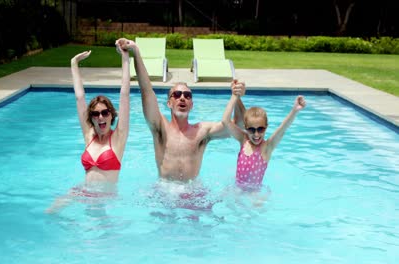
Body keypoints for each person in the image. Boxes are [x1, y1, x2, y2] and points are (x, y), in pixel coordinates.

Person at [116, 38, 245, 182]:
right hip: (166, 191)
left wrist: (237, 97)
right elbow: (146, 91)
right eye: (177, 95)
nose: (182, 98)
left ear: (192, 104)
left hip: (192, 193)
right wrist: (136, 51)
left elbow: (239, 125)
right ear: (169, 103)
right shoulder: (160, 127)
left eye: (187, 95)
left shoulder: (203, 131)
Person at [46, 43, 131, 213]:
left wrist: (125, 57)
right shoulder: (89, 135)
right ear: (91, 118)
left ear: (111, 115)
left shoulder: (118, 138)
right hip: (83, 192)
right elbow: (79, 97)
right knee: (51, 212)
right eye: (96, 114)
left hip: (105, 199)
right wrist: (74, 64)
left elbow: (124, 93)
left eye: (105, 113)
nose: (101, 117)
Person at [222, 84, 306, 190]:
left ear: (266, 128)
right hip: (237, 188)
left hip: (254, 195)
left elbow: (283, 128)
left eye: (260, 129)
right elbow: (225, 121)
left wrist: (294, 110)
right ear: (246, 128)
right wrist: (234, 96)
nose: (256, 134)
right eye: (251, 130)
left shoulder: (267, 147)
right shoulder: (243, 139)